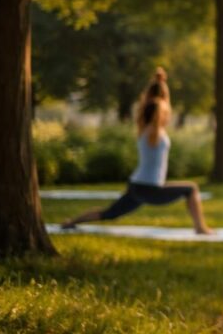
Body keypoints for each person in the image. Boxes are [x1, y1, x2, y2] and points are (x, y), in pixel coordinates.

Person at [62, 71, 213, 234]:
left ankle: (71, 222)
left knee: (110, 214)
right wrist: (162, 96)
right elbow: (157, 104)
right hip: (149, 188)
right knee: (190, 189)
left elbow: (151, 103)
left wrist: (159, 86)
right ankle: (200, 228)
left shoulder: (145, 129)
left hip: (138, 185)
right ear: (158, 112)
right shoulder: (152, 132)